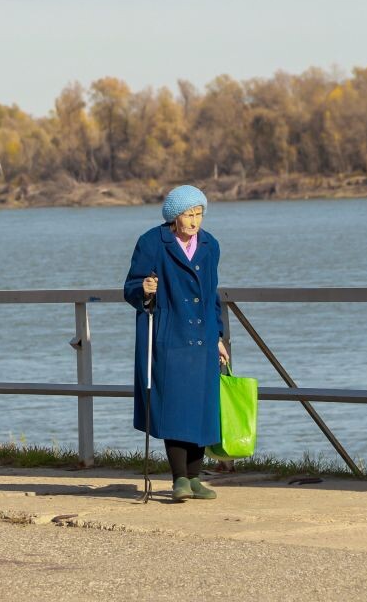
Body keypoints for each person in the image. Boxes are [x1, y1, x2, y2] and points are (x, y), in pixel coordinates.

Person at [124, 185, 230, 501]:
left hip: (203, 339)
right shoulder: (152, 243)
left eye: (199, 214)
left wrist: (219, 337)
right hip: (170, 336)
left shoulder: (210, 245)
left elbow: (212, 295)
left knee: (202, 408)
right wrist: (144, 287)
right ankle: (179, 478)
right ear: (174, 216)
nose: (195, 221)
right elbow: (130, 289)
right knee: (175, 408)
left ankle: (196, 478)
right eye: (189, 214)